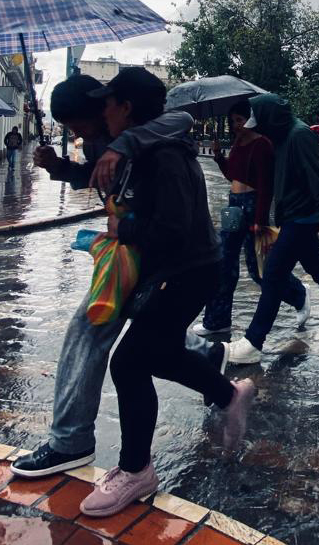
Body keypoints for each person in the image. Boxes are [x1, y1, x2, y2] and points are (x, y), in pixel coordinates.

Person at [12, 73, 227, 479]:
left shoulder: (152, 144)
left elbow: (177, 125)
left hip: (166, 259)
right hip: (142, 256)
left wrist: (121, 224)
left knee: (94, 331)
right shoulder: (108, 138)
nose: (79, 132)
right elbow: (99, 176)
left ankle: (73, 443)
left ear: (114, 108)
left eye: (80, 123)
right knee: (143, 338)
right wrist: (61, 168)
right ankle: (204, 355)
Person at [78, 68, 255, 517]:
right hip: (174, 271)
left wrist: (127, 227)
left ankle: (136, 470)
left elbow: (174, 230)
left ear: (126, 108)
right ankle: (228, 394)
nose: (103, 111)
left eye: (108, 102)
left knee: (130, 362)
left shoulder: (164, 156)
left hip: (189, 271)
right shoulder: (139, 150)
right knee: (157, 355)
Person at [226, 94, 319, 364]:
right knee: (318, 269)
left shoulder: (299, 136)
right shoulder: (279, 137)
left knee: (273, 275)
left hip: (303, 217)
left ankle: (253, 341)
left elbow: (318, 175)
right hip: (292, 215)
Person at [191, 99, 310, 336]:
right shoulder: (237, 143)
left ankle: (298, 294)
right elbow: (232, 176)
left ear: (251, 119)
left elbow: (266, 186)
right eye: (233, 121)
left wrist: (260, 219)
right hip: (233, 207)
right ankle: (217, 320)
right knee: (223, 263)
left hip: (254, 206)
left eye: (240, 120)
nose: (236, 125)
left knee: (258, 268)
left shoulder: (262, 144)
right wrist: (218, 157)